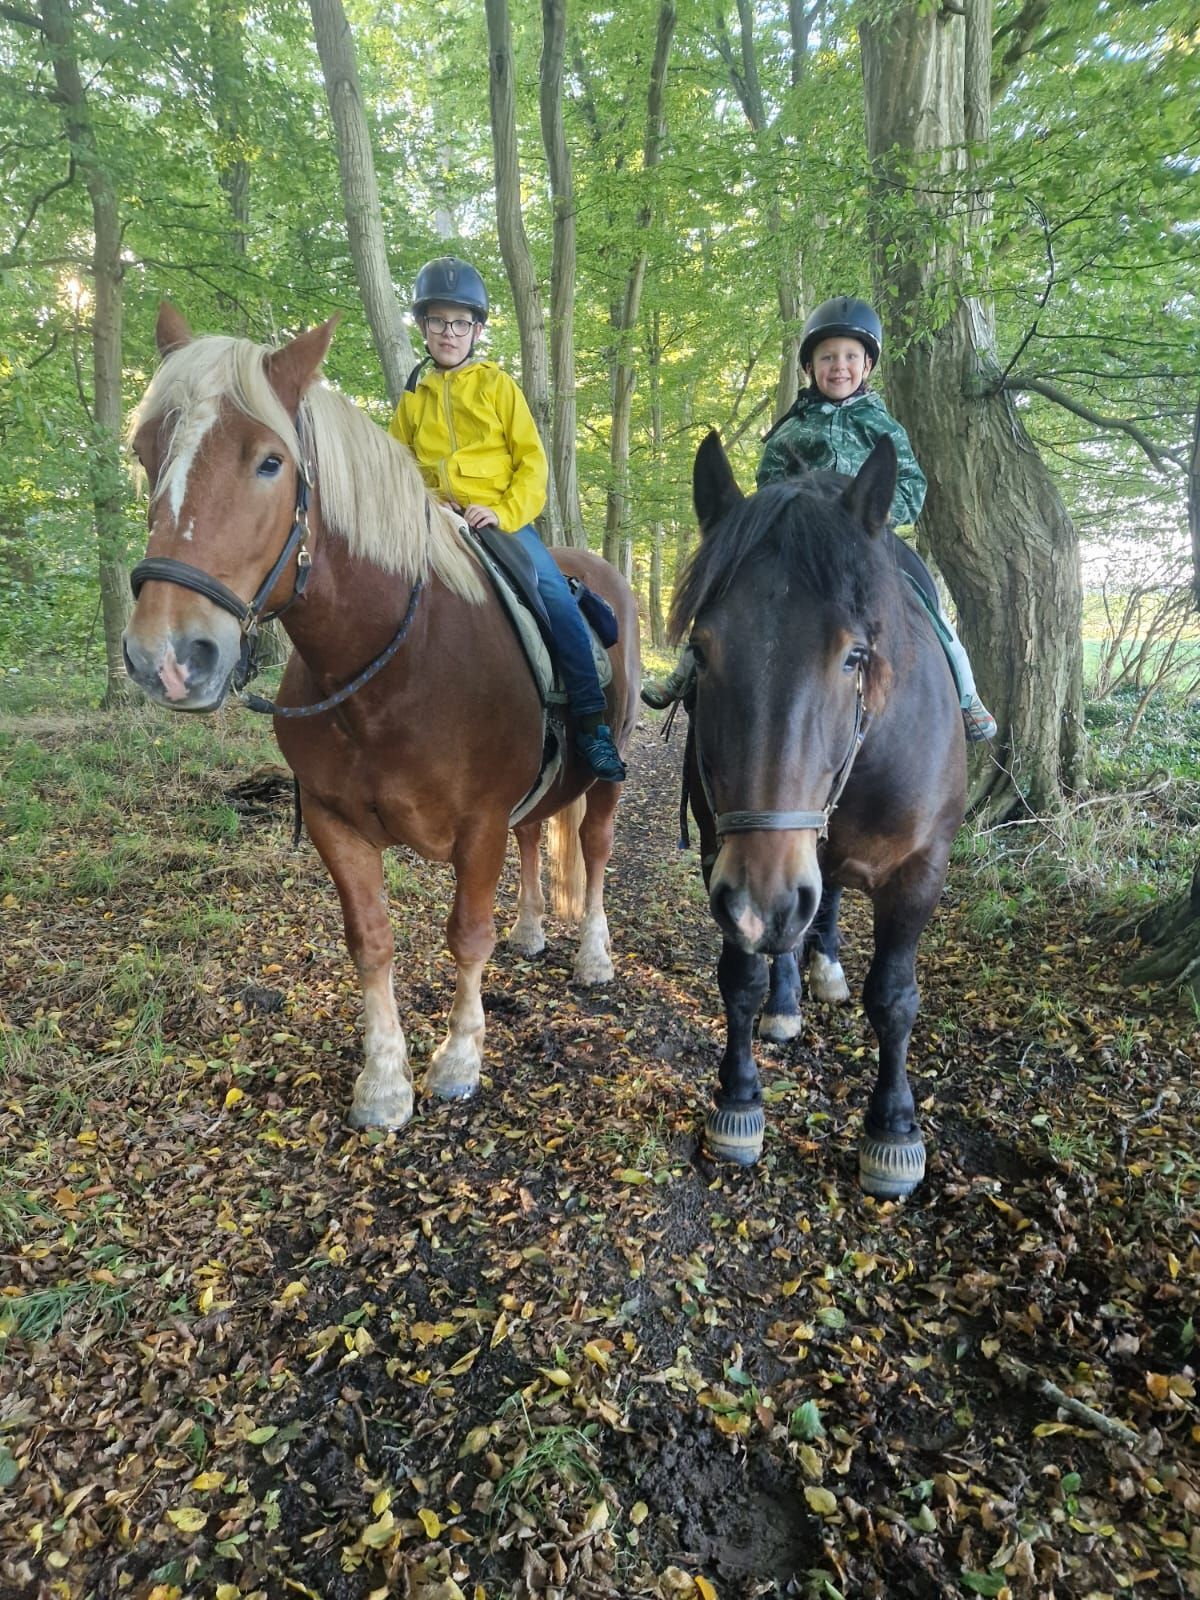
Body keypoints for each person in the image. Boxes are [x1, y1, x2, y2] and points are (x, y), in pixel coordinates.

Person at [643, 295, 997, 742]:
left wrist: (873, 515)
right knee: (730, 592)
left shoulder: (885, 428)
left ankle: (966, 694)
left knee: (922, 592)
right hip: (799, 543)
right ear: (810, 367)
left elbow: (910, 485)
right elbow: (770, 487)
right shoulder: (789, 430)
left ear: (867, 366)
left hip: (866, 537)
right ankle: (686, 670)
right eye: (828, 357)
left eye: (850, 356)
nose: (839, 366)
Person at [390, 256, 626, 782]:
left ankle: (590, 724)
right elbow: (396, 465)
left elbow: (533, 466)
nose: (448, 333)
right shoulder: (412, 397)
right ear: (423, 326)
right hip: (432, 522)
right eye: (437, 321)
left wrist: (500, 510)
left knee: (555, 598)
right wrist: (428, 500)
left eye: (459, 323)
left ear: (475, 329)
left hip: (499, 520)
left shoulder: (499, 389)